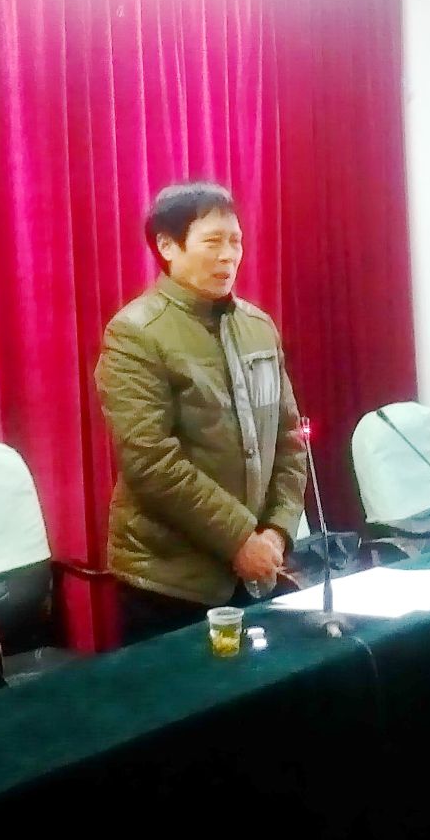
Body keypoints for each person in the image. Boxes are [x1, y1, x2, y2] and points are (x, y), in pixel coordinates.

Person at [96, 181, 307, 644]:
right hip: (170, 582)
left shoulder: (258, 327)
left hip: (256, 568)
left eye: (236, 241)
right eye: (212, 242)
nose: (228, 256)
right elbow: (151, 462)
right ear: (167, 246)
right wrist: (240, 539)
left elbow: (290, 438)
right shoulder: (135, 334)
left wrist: (277, 532)